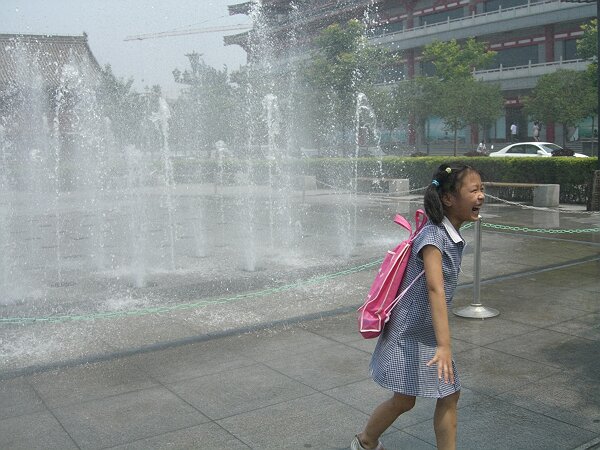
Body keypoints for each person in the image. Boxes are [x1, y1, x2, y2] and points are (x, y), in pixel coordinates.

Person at [351, 163, 485, 450]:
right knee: (405, 400)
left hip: (423, 330)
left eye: (482, 189)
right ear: (448, 198)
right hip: (409, 332)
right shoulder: (433, 237)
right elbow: (435, 289)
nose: (481, 196)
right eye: (473, 190)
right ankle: (365, 441)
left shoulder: (446, 234)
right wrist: (445, 345)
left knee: (446, 395)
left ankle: (366, 441)